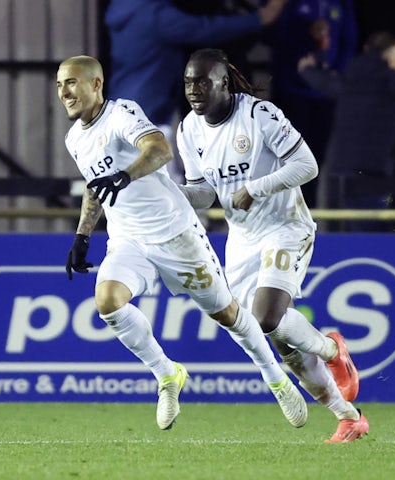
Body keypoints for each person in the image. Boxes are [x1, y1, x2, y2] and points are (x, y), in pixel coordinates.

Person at [57, 54, 308, 431]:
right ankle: (167, 374)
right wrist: (81, 236)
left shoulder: (122, 113)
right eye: (60, 84)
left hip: (176, 233)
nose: (64, 92)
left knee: (227, 315)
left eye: (72, 82)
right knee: (107, 302)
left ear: (96, 84)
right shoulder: (74, 138)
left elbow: (160, 149)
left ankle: (276, 378)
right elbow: (95, 187)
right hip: (128, 239)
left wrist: (125, 177)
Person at [175, 48, 369, 443]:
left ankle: (333, 351)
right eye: (188, 82)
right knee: (283, 344)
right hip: (242, 240)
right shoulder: (187, 130)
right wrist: (169, 195)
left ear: (223, 82)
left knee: (265, 318)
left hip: (285, 227)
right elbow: (203, 193)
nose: (194, 90)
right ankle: (348, 416)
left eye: (202, 81)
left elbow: (307, 165)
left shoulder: (259, 115)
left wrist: (256, 187)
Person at [104, 0, 287, 184]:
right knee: (166, 191)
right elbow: (203, 29)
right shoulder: (155, 15)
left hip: (122, 107)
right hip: (148, 117)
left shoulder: (123, 8)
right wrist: (258, 18)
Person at [298, 31, 395, 231]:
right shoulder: (391, 81)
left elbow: (324, 81)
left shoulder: (349, 78)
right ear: (390, 57)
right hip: (369, 176)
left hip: (336, 172)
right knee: (373, 238)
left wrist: (307, 70)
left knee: (341, 241)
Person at [268, 0, 358, 207]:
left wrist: (338, 70)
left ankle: (309, 212)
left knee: (316, 159)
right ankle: (282, 214)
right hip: (292, 91)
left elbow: (349, 38)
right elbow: (273, 36)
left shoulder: (342, 5)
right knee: (287, 157)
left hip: (325, 93)